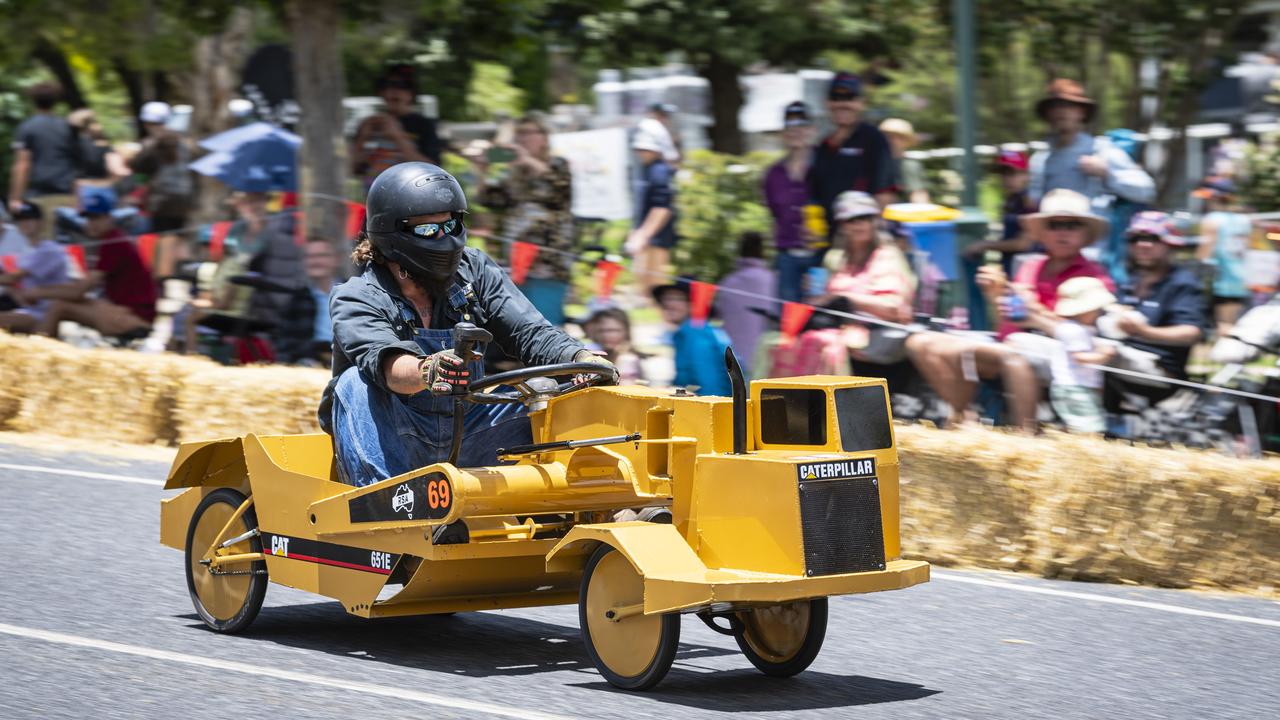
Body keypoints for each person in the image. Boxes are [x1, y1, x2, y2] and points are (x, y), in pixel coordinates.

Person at [322, 162, 614, 488]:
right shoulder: (355, 297)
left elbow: (529, 332)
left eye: (450, 225)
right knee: (352, 383)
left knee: (547, 393)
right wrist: (427, 370)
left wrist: (579, 360)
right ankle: (387, 505)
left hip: (468, 427)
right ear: (392, 234)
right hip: (396, 438)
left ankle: (596, 501)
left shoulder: (474, 270)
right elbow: (389, 364)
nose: (444, 239)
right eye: (428, 230)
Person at [474, 112, 576, 325]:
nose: (521, 138)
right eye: (518, 134)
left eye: (528, 132)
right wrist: (482, 170)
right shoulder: (513, 174)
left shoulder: (559, 165)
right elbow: (489, 199)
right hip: (515, 263)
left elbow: (560, 187)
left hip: (548, 262)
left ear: (544, 137)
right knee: (517, 326)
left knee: (547, 325)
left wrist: (527, 160)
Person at [33, 190, 155, 339]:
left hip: (135, 318)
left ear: (109, 217)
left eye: (96, 218)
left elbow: (77, 292)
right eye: (88, 218)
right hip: (125, 310)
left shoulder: (114, 243)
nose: (91, 224)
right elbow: (80, 290)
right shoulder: (111, 239)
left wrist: (34, 293)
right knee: (61, 303)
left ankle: (40, 351)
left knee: (58, 307)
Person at [1027, 79, 1153, 218]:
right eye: (1054, 107)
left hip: (1095, 238)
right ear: (1047, 114)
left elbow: (1146, 191)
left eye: (1069, 106)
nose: (1061, 112)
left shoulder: (1102, 151)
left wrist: (1107, 174)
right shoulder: (1040, 159)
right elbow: (1033, 202)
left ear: (1082, 113)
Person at [1109, 211, 1205, 385]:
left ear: (1170, 244)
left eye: (1153, 238)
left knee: (1098, 355)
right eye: (1135, 238)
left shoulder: (1182, 283)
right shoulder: (1129, 281)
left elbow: (1191, 333)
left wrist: (1145, 332)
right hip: (1119, 356)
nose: (1143, 244)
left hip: (1160, 370)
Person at [806, 72, 896, 239]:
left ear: (861, 103)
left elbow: (885, 194)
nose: (842, 104)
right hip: (830, 244)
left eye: (849, 98)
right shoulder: (822, 148)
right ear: (828, 103)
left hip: (864, 241)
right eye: (836, 98)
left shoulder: (874, 139)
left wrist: (872, 236)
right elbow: (815, 198)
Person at [1043, 276, 1117, 434]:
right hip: (1075, 388)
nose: (1098, 313)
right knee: (1090, 428)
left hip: (1077, 386)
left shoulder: (1078, 329)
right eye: (1096, 310)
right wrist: (1104, 355)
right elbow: (1080, 357)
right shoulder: (1074, 331)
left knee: (1080, 424)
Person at [351, 64, 443, 190]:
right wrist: (363, 138)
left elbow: (434, 170)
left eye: (402, 86)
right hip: (374, 197)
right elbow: (354, 168)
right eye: (388, 86)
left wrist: (397, 137)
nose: (394, 91)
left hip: (410, 196)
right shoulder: (370, 124)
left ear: (412, 94)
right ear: (381, 92)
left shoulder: (423, 125)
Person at [8, 83, 81, 234]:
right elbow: (76, 163)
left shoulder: (27, 127)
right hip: (67, 195)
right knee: (70, 247)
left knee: (44, 247)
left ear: (33, 101)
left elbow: (23, 164)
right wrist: (78, 198)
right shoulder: (67, 127)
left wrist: (15, 198)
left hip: (40, 198)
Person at [763, 101, 817, 302]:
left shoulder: (825, 165)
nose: (796, 132)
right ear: (783, 133)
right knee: (787, 322)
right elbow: (775, 215)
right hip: (786, 258)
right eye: (790, 127)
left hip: (819, 257)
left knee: (820, 319)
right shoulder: (772, 174)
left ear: (811, 130)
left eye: (801, 126)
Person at [652, 281, 733, 396]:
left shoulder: (697, 334)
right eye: (666, 299)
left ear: (693, 304)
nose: (668, 304)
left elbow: (709, 386)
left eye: (678, 299)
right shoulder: (687, 333)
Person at [0, 202, 71, 333]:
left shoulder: (49, 249)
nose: (24, 223)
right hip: (30, 310)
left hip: (46, 315)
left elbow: (12, 278)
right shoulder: (29, 250)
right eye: (21, 220)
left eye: (29, 218)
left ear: (41, 223)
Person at [1194, 177, 1251, 338]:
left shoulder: (1212, 220)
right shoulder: (1244, 220)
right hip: (1241, 277)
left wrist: (1196, 267)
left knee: (1223, 324)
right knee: (1232, 321)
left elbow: (1205, 249)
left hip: (1220, 278)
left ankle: (1225, 356)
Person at [626, 129, 678, 298]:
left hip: (655, 240)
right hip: (648, 239)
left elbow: (662, 207)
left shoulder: (659, 171)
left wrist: (643, 235)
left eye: (645, 149)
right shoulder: (648, 170)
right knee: (644, 287)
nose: (641, 153)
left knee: (654, 289)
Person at [129, 101, 194, 236]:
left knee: (160, 239)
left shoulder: (150, 144)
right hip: (184, 199)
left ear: (146, 123)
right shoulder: (185, 143)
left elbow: (139, 170)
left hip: (160, 202)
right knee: (175, 237)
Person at [715, 232, 775, 375]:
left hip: (730, 358)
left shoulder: (728, 281)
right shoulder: (771, 280)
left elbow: (718, 313)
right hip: (761, 360)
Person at [581, 306, 647, 385]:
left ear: (626, 331)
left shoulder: (631, 359)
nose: (608, 335)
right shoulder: (586, 355)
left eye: (614, 330)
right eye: (602, 330)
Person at [304, 235, 340, 365]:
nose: (316, 261)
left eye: (322, 255)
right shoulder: (299, 298)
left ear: (336, 259)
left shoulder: (354, 292)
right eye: (310, 256)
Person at [878, 118, 929, 204]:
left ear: (906, 141)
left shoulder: (908, 165)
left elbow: (918, 195)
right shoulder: (871, 162)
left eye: (899, 137)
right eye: (888, 136)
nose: (892, 141)